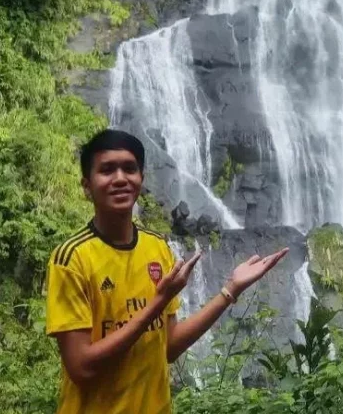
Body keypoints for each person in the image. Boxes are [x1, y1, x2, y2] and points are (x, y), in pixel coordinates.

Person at [45, 128, 289, 414]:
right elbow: (82, 368)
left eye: (129, 168)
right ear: (87, 186)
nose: (120, 178)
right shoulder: (72, 258)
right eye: (107, 170)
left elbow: (168, 347)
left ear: (141, 180)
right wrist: (157, 303)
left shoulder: (157, 248)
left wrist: (230, 290)